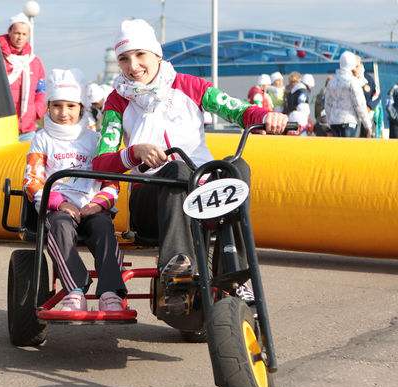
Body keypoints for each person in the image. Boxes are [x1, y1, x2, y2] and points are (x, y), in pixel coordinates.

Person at [92, 19, 288, 313]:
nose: (133, 66)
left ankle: (235, 275)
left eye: (140, 54)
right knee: (177, 170)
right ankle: (176, 269)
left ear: (157, 54)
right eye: (124, 59)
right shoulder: (116, 101)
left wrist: (266, 116)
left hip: (203, 194)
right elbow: (100, 163)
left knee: (236, 168)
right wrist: (134, 153)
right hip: (152, 204)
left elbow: (237, 110)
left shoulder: (190, 86)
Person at [23, 68, 126, 312]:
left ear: (81, 108)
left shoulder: (95, 140)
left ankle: (111, 292)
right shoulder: (42, 138)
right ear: (48, 107)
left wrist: (99, 203)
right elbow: (32, 181)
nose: (63, 112)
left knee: (103, 228)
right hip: (58, 208)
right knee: (59, 226)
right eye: (57, 106)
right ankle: (75, 290)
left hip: (92, 206)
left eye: (70, 106)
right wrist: (60, 203)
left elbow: (111, 182)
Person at [0, 12, 46, 142]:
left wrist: (37, 110)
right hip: (2, 127)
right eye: (17, 33)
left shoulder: (34, 61)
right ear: (9, 32)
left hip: (28, 128)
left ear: (28, 35)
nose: (20, 37)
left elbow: (41, 90)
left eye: (24, 34)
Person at [324, 51, 372, 138]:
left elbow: (327, 104)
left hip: (334, 122)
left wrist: (329, 122)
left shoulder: (332, 81)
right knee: (348, 146)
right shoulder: (353, 81)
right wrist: (368, 125)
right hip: (349, 121)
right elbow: (360, 105)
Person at [354, 55, 381, 138]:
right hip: (353, 118)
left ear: (361, 65)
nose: (355, 69)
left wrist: (369, 107)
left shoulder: (368, 79)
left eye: (357, 66)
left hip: (368, 117)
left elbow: (377, 95)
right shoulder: (349, 80)